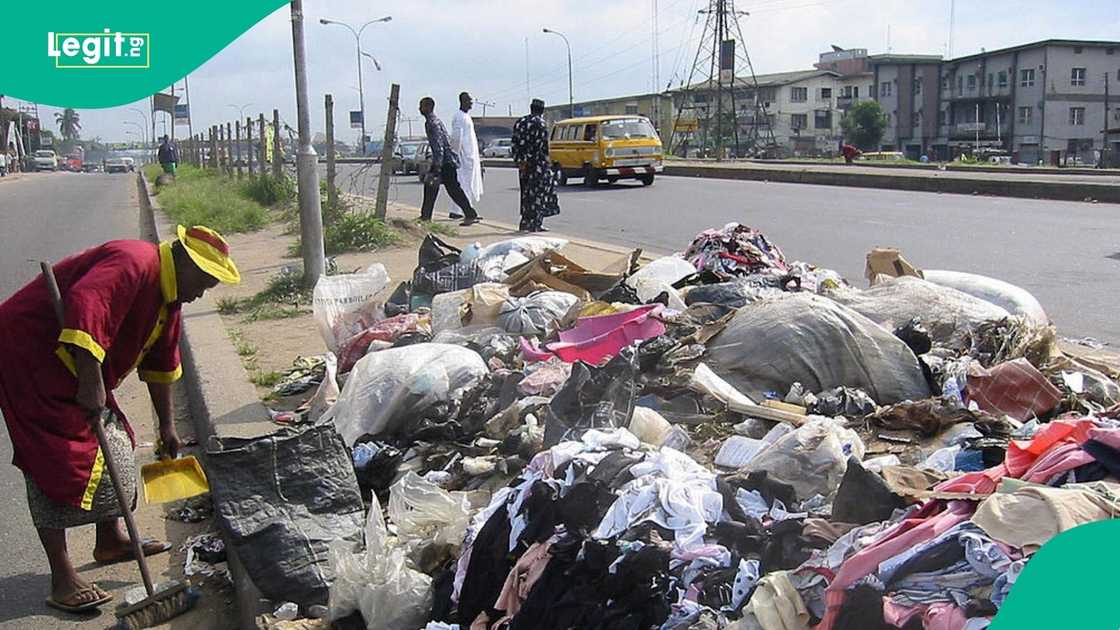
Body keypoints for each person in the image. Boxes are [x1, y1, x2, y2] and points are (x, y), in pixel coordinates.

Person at [0, 225, 240, 613]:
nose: (202, 292)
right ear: (185, 263)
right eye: (204, 281)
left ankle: (110, 540)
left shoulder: (169, 296)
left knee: (116, 445)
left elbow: (162, 361)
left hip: (76, 365)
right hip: (30, 353)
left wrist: (167, 425)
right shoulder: (134, 262)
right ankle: (62, 576)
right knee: (54, 460)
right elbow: (85, 304)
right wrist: (92, 382)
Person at [419, 97, 481, 226]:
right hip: (446, 161)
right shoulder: (435, 121)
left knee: (449, 189)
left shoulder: (432, 123)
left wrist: (437, 166)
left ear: (428, 107)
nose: (420, 109)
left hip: (444, 162)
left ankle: (469, 214)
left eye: (422, 106)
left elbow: (439, 145)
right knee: (438, 188)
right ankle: (426, 216)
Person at [511, 98, 559, 232]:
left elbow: (514, 143)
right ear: (542, 110)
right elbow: (543, 147)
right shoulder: (541, 124)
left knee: (526, 193)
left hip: (523, 165)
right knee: (538, 194)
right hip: (538, 164)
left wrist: (520, 161)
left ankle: (524, 222)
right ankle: (535, 223)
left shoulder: (520, 122)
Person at [446, 92, 484, 220]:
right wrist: (456, 155)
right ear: (463, 101)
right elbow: (457, 138)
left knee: (467, 184)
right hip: (463, 157)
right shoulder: (459, 117)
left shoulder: (466, 116)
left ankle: (463, 210)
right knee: (463, 184)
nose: (471, 103)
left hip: (469, 157)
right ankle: (462, 211)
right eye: (469, 101)